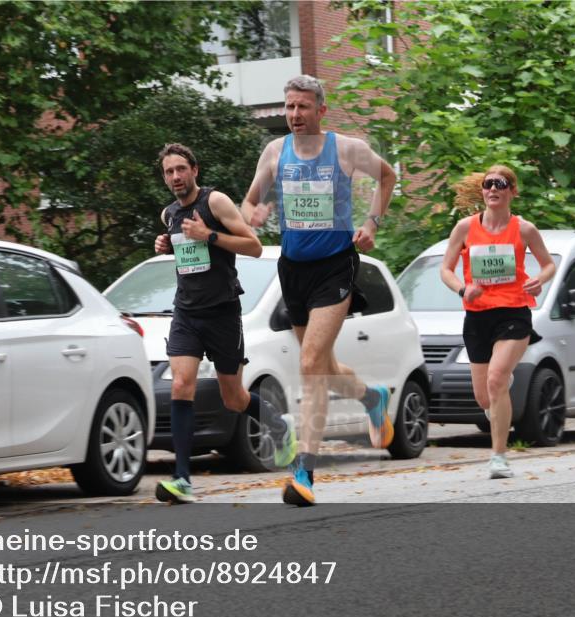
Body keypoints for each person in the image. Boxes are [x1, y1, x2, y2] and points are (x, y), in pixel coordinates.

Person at [242, 75, 397, 507]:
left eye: (303, 107)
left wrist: (371, 223)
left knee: (310, 363)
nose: (294, 115)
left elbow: (386, 177)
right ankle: (373, 397)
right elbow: (248, 201)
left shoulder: (346, 149)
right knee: (323, 366)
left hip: (335, 266)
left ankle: (304, 472)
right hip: (293, 271)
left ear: (320, 110)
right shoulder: (274, 152)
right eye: (290, 107)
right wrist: (254, 212)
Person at [154, 143, 297, 504]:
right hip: (186, 313)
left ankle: (278, 424)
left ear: (194, 170)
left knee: (233, 399)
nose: (175, 177)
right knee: (181, 385)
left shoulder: (215, 202)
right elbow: (189, 255)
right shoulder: (169, 214)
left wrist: (210, 235)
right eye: (169, 172)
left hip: (222, 312)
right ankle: (182, 479)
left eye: (181, 169)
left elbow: (254, 246)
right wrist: (167, 245)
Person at [440, 166, 556, 479]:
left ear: (512, 191)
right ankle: (500, 393)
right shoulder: (465, 228)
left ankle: (498, 457)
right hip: (477, 315)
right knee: (484, 397)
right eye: (488, 184)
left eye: (500, 184)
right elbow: (446, 271)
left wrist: (539, 280)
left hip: (514, 312)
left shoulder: (524, 230)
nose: (493, 189)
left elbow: (548, 265)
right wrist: (464, 289)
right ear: (482, 191)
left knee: (495, 379)